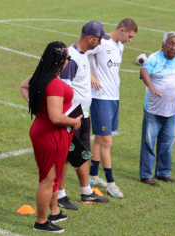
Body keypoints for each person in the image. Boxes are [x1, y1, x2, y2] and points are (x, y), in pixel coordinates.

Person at [20, 41, 82, 233]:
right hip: (50, 134)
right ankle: (41, 221)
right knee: (48, 179)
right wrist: (75, 122)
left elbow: (23, 86)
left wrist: (37, 106)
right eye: (68, 59)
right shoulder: (54, 84)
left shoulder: (41, 76)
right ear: (60, 61)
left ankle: (53, 212)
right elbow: (56, 118)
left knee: (53, 177)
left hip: (48, 131)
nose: (68, 62)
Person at [57, 21, 110, 209]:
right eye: (98, 39)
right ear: (90, 38)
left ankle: (87, 192)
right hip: (73, 118)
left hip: (83, 116)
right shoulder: (71, 59)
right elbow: (63, 91)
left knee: (83, 155)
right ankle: (60, 195)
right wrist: (70, 120)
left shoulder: (83, 54)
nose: (100, 43)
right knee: (64, 157)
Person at [86, 18, 137, 198]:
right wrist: (90, 75)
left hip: (114, 97)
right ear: (122, 30)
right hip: (100, 98)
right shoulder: (101, 43)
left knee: (100, 138)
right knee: (107, 142)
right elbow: (78, 54)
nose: (130, 40)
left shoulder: (120, 47)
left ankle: (92, 175)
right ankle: (111, 184)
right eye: (129, 36)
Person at [139, 32, 175, 186]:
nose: (173, 47)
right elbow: (144, 71)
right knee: (149, 143)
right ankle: (146, 175)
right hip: (153, 110)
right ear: (163, 44)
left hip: (171, 111)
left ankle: (163, 173)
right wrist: (151, 87)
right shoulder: (155, 58)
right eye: (170, 43)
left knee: (167, 143)